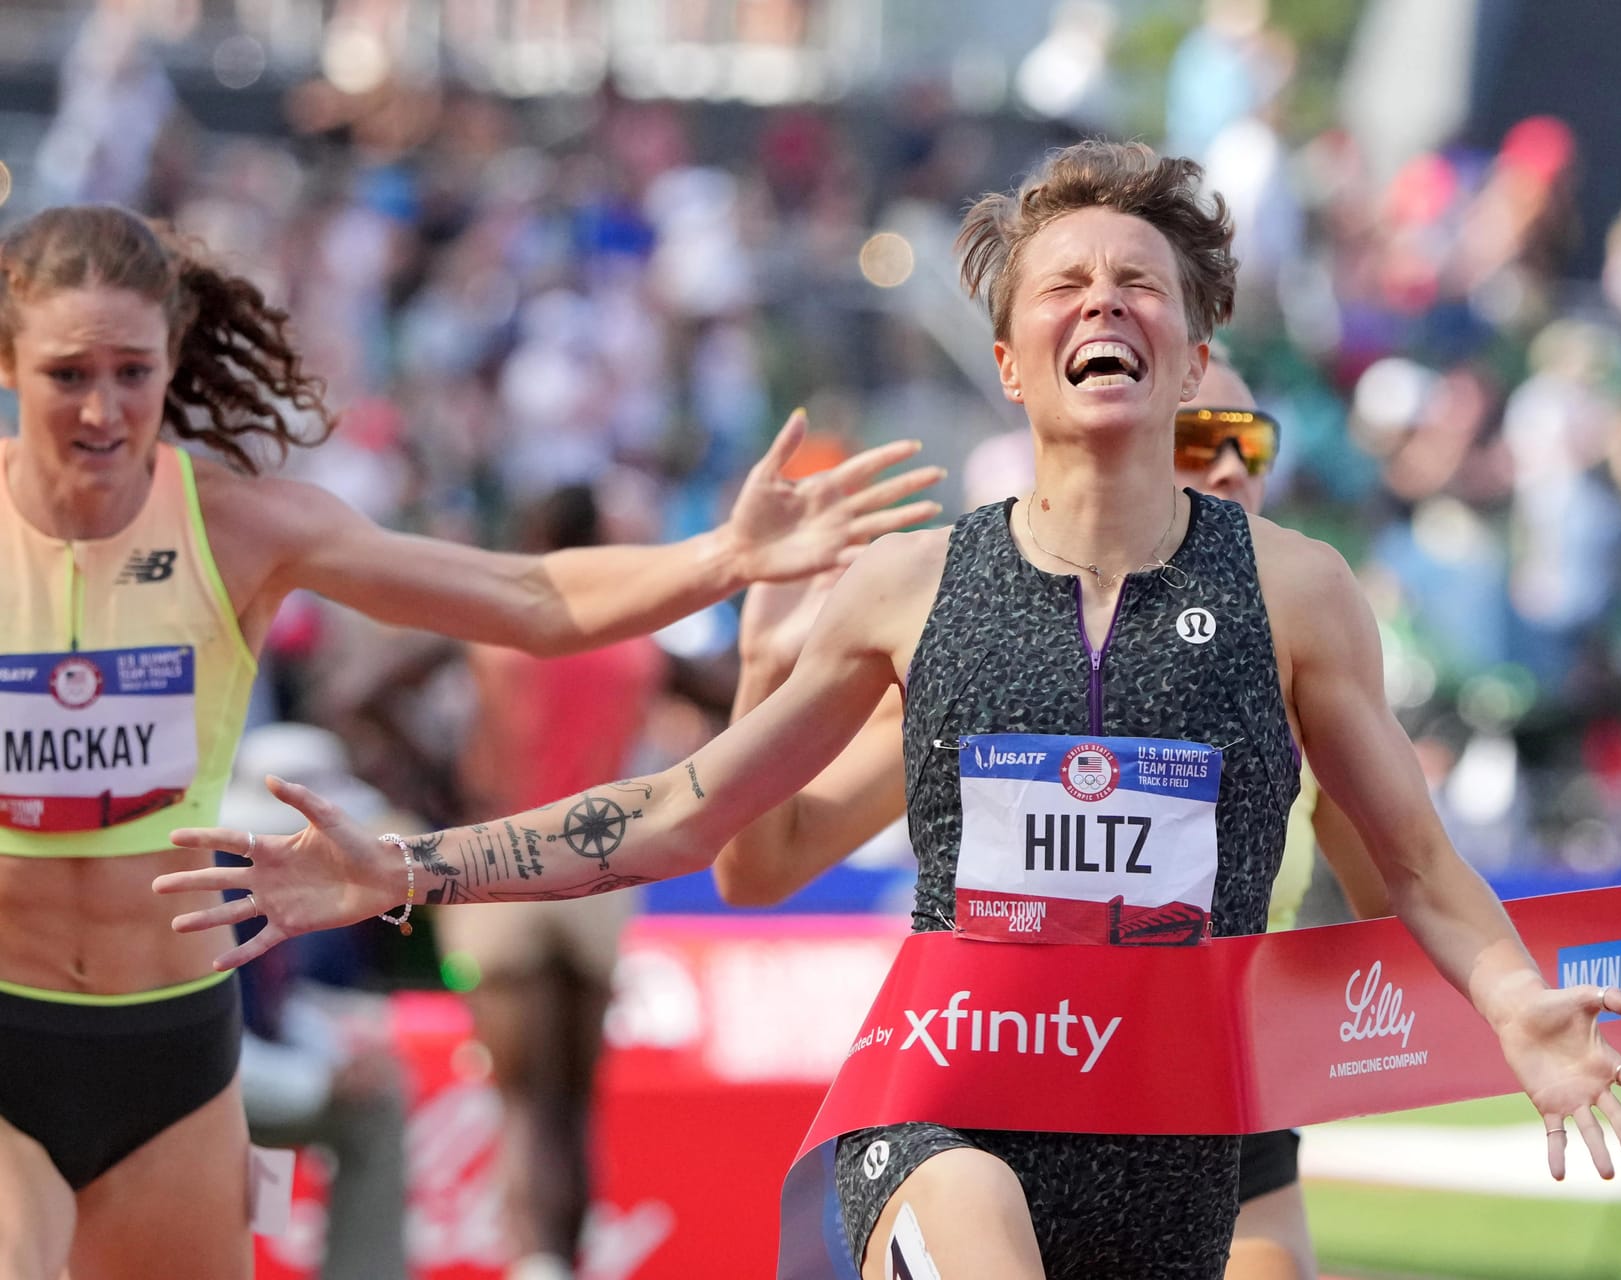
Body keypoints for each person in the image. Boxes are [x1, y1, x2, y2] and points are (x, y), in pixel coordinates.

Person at [164, 142, 1621, 1280]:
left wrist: (1516, 1006)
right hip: (945, 1107)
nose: (1105, 302)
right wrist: (405, 865)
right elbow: (693, 813)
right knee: (971, 1212)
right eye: (1065, 287)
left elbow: (1414, 861)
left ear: (1195, 353)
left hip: (1182, 1144)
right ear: (1010, 365)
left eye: (1139, 284)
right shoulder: (909, 590)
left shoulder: (1301, 594)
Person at [0, 201, 940, 1280]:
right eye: (68, 375)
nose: (105, 409)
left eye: (133, 372)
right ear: (8, 362)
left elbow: (527, 597)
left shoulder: (238, 525)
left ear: (173, 356)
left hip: (172, 1048)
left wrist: (724, 555)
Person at [715, 357, 1390, 1279]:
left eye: (1251, 441)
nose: (1232, 467)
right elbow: (758, 866)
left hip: (1211, 1118)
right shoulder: (1007, 654)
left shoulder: (1302, 659)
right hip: (994, 1094)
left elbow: (1412, 907)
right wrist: (763, 667)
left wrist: (1536, 994)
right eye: (1200, 438)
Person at [441, 483, 673, 1280]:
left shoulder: (496, 630)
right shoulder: (632, 641)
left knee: (519, 1104)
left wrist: (441, 788)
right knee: (577, 1105)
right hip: (602, 873)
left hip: (499, 861)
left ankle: (534, 1264)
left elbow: (360, 693)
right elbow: (733, 697)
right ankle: (566, 1264)